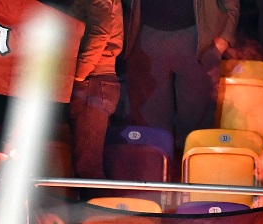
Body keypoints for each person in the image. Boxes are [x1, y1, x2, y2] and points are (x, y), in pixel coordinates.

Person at [121, 0, 239, 148]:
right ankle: (156, 168)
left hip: (200, 40)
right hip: (145, 37)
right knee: (151, 127)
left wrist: (225, 37)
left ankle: (196, 169)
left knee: (197, 128)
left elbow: (232, 4)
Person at [69, 0, 123, 179]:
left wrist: (78, 74)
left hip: (93, 80)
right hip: (96, 80)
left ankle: (94, 207)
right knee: (87, 164)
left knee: (88, 168)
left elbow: (100, 31)